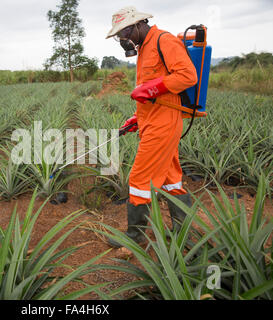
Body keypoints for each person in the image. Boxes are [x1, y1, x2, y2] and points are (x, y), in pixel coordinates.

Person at [105, 6, 198, 248]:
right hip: (152, 120)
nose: (122, 38)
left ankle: (135, 237)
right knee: (171, 179)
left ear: (137, 24)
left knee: (138, 178)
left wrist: (150, 89)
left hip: (163, 124)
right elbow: (150, 92)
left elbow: (188, 76)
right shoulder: (144, 48)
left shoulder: (163, 41)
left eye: (123, 32)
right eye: (119, 35)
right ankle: (183, 232)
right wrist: (137, 117)